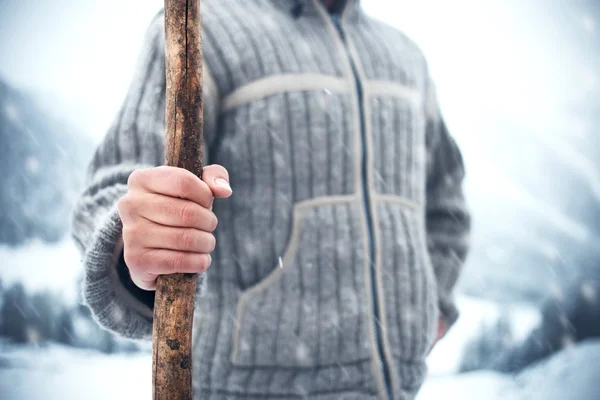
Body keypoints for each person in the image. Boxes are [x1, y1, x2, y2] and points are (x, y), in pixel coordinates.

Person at [71, 0, 471, 399]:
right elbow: (115, 186)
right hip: (244, 390)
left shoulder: (405, 58)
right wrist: (136, 245)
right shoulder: (202, 30)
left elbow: (445, 202)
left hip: (397, 390)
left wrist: (429, 307)